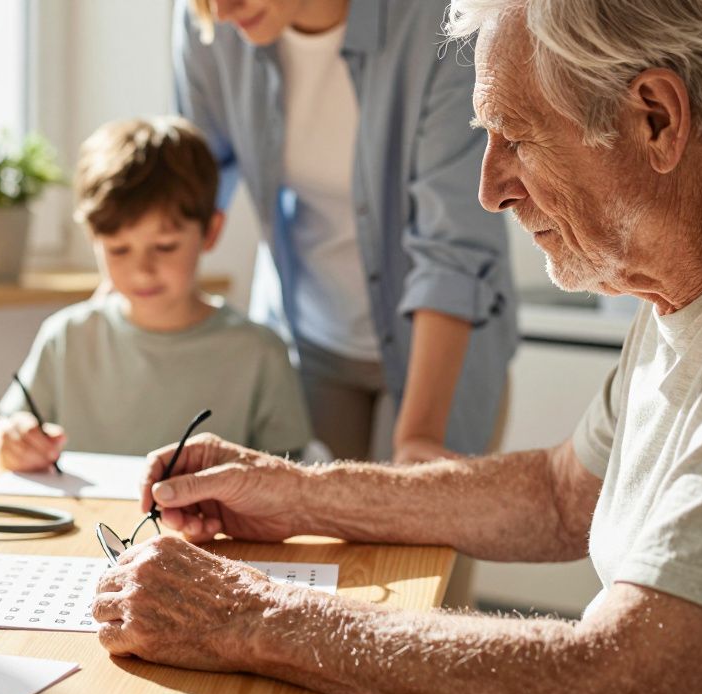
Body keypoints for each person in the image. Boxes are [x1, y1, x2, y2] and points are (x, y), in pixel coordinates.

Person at [93, 1, 702, 694]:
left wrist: (243, 615)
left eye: (517, 138)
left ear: (655, 118)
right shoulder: (692, 285)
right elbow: (560, 495)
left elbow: (613, 691)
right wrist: (293, 491)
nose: (490, 188)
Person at [174, 0, 518, 463]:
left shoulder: (443, 20)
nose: (222, 10)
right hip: (305, 335)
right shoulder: (209, 22)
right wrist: (93, 339)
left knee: (413, 526)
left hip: (442, 347)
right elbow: (179, 193)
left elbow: (452, 250)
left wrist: (417, 438)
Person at [0, 117, 313, 472]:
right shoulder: (66, 338)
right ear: (93, 238)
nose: (142, 270)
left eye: (165, 246)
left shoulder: (259, 352)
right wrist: (12, 442)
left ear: (211, 231)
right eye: (119, 249)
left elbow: (292, 476)